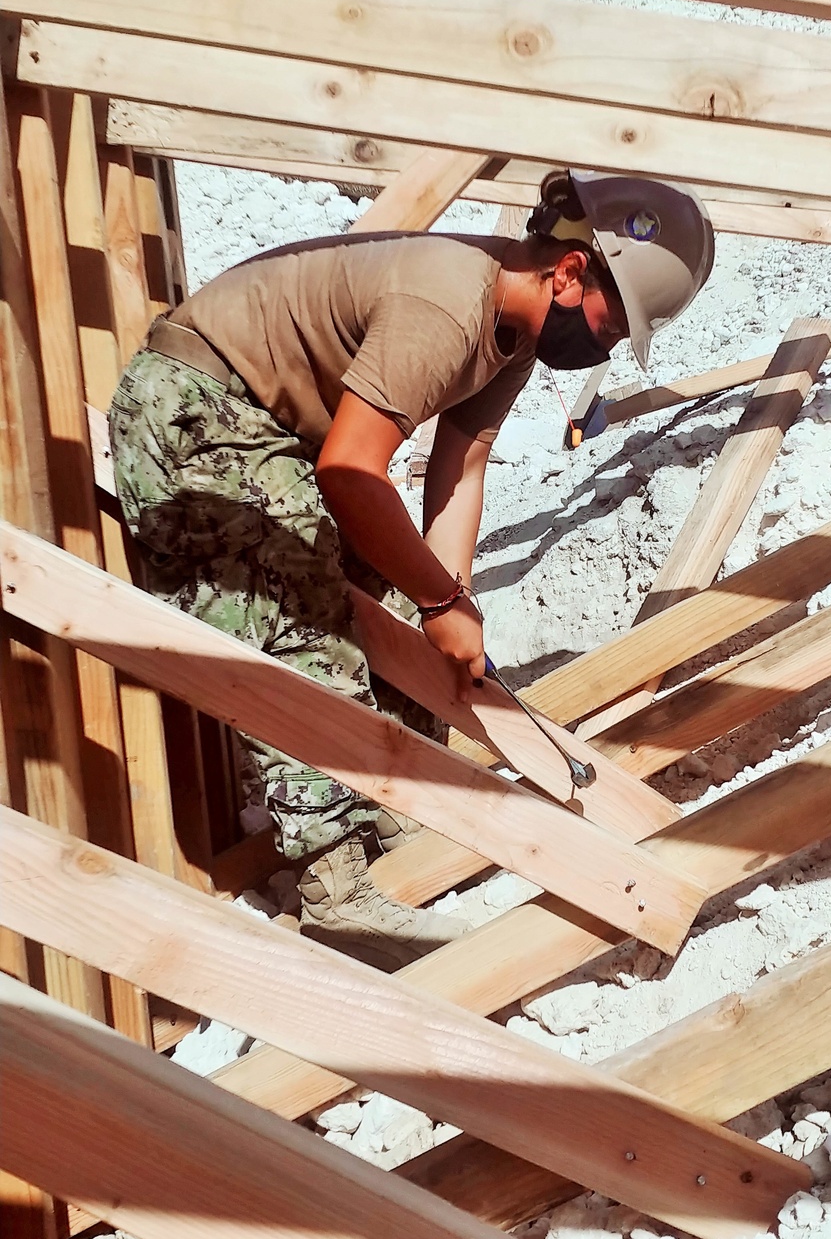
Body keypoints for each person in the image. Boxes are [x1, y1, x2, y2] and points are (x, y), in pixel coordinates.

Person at [108, 168, 714, 971]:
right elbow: (351, 469)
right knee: (303, 594)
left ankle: (391, 789)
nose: (604, 344)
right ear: (569, 273)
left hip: (266, 425)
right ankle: (333, 887)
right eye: (611, 324)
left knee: (388, 575)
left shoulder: (514, 334)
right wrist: (438, 598)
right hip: (193, 408)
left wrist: (448, 605)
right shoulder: (447, 303)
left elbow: (462, 465)